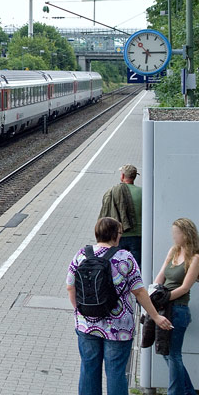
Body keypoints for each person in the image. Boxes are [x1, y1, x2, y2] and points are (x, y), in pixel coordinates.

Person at [67, 217, 171, 395]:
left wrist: (80, 311)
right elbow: (139, 291)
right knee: (115, 372)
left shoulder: (82, 254)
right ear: (116, 235)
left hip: (87, 324)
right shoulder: (124, 257)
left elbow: (70, 286)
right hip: (119, 327)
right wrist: (155, 316)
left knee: (88, 369)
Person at [153, 217, 199, 395]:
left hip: (178, 309)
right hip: (164, 306)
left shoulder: (194, 258)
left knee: (173, 354)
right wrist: (154, 293)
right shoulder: (173, 250)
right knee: (166, 353)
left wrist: (165, 298)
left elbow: (186, 287)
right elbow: (161, 275)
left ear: (186, 235)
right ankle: (187, 391)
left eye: (177, 233)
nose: (174, 236)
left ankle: (176, 392)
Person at [99, 164, 142, 266]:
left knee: (117, 266)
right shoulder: (143, 192)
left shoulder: (112, 191)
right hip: (138, 236)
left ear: (122, 176)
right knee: (136, 267)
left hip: (118, 236)